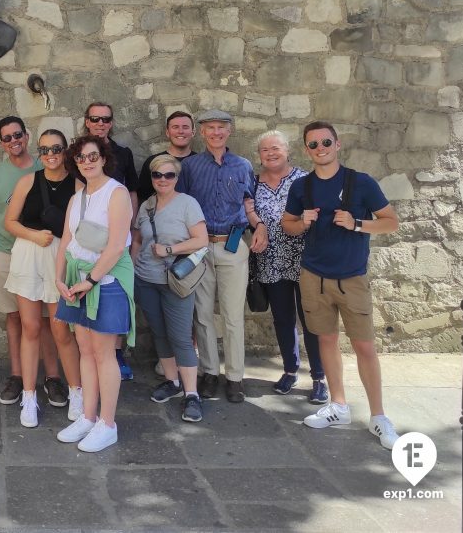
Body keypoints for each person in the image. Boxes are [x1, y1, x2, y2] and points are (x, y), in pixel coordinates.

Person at [282, 121, 401, 449]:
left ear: (337, 145)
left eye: (325, 142)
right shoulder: (301, 187)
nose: (320, 149)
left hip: (352, 277)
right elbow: (287, 225)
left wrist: (357, 223)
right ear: (306, 150)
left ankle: (378, 416)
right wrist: (301, 222)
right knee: (326, 340)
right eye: (313, 144)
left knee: (364, 346)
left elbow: (391, 222)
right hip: (314, 276)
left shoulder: (361, 183)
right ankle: (338, 406)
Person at [176, 109, 267, 403]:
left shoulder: (242, 166)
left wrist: (260, 226)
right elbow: (182, 204)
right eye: (210, 128)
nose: (216, 132)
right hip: (201, 249)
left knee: (232, 315)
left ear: (229, 131)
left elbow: (249, 203)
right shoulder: (190, 167)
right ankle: (210, 372)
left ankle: (235, 377)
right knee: (203, 314)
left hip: (233, 245)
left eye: (221, 127)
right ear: (202, 132)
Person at [0, 117, 66, 410]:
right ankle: (17, 376)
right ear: (1, 142)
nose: (13, 141)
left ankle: (52, 377)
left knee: (46, 319)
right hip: (6, 252)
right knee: (15, 318)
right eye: (7, 137)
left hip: (42, 253)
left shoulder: (45, 166)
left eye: (17, 135)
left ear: (26, 137)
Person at [54, 136, 135, 453]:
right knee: (85, 349)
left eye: (92, 156)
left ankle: (107, 423)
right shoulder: (77, 198)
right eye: (80, 158)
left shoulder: (117, 193)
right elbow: (66, 240)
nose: (86, 162)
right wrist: (59, 277)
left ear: (103, 158)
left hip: (106, 279)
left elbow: (116, 247)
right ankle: (88, 417)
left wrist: (90, 280)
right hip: (78, 278)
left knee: (104, 352)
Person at [3, 129, 82, 427]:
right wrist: (34, 235)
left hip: (60, 259)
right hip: (29, 254)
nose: (50, 155)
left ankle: (76, 392)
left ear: (65, 151)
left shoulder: (78, 185)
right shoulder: (27, 181)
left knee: (61, 330)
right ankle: (29, 397)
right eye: (45, 150)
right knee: (31, 327)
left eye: (56, 149)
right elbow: (10, 221)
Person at [247, 130, 327, 403]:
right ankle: (290, 370)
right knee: (283, 319)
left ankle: (319, 377)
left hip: (304, 260)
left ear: (287, 151)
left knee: (311, 319)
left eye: (276, 148)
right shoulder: (253, 184)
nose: (270, 153)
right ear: (259, 156)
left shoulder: (305, 180)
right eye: (265, 149)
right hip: (271, 261)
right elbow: (247, 212)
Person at [131, 154, 208, 422]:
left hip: (176, 281)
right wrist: (132, 269)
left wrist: (170, 249)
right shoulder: (146, 206)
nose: (162, 179)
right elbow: (137, 240)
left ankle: (192, 394)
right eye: (157, 175)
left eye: (169, 175)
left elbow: (201, 239)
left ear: (176, 178)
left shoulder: (188, 204)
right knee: (160, 334)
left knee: (180, 337)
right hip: (146, 279)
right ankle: (172, 382)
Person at [82, 101, 138, 381]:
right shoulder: (80, 153)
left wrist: (129, 227)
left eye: (105, 119)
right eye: (95, 119)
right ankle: (90, 356)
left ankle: (115, 354)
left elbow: (132, 192)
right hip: (86, 237)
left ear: (111, 123)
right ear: (87, 122)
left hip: (115, 235)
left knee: (115, 296)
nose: (100, 123)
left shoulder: (123, 154)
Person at [137, 111, 196, 204]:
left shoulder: (201, 163)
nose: (180, 131)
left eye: (185, 127)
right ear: (167, 132)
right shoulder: (153, 162)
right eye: (175, 127)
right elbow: (143, 198)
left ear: (193, 132)